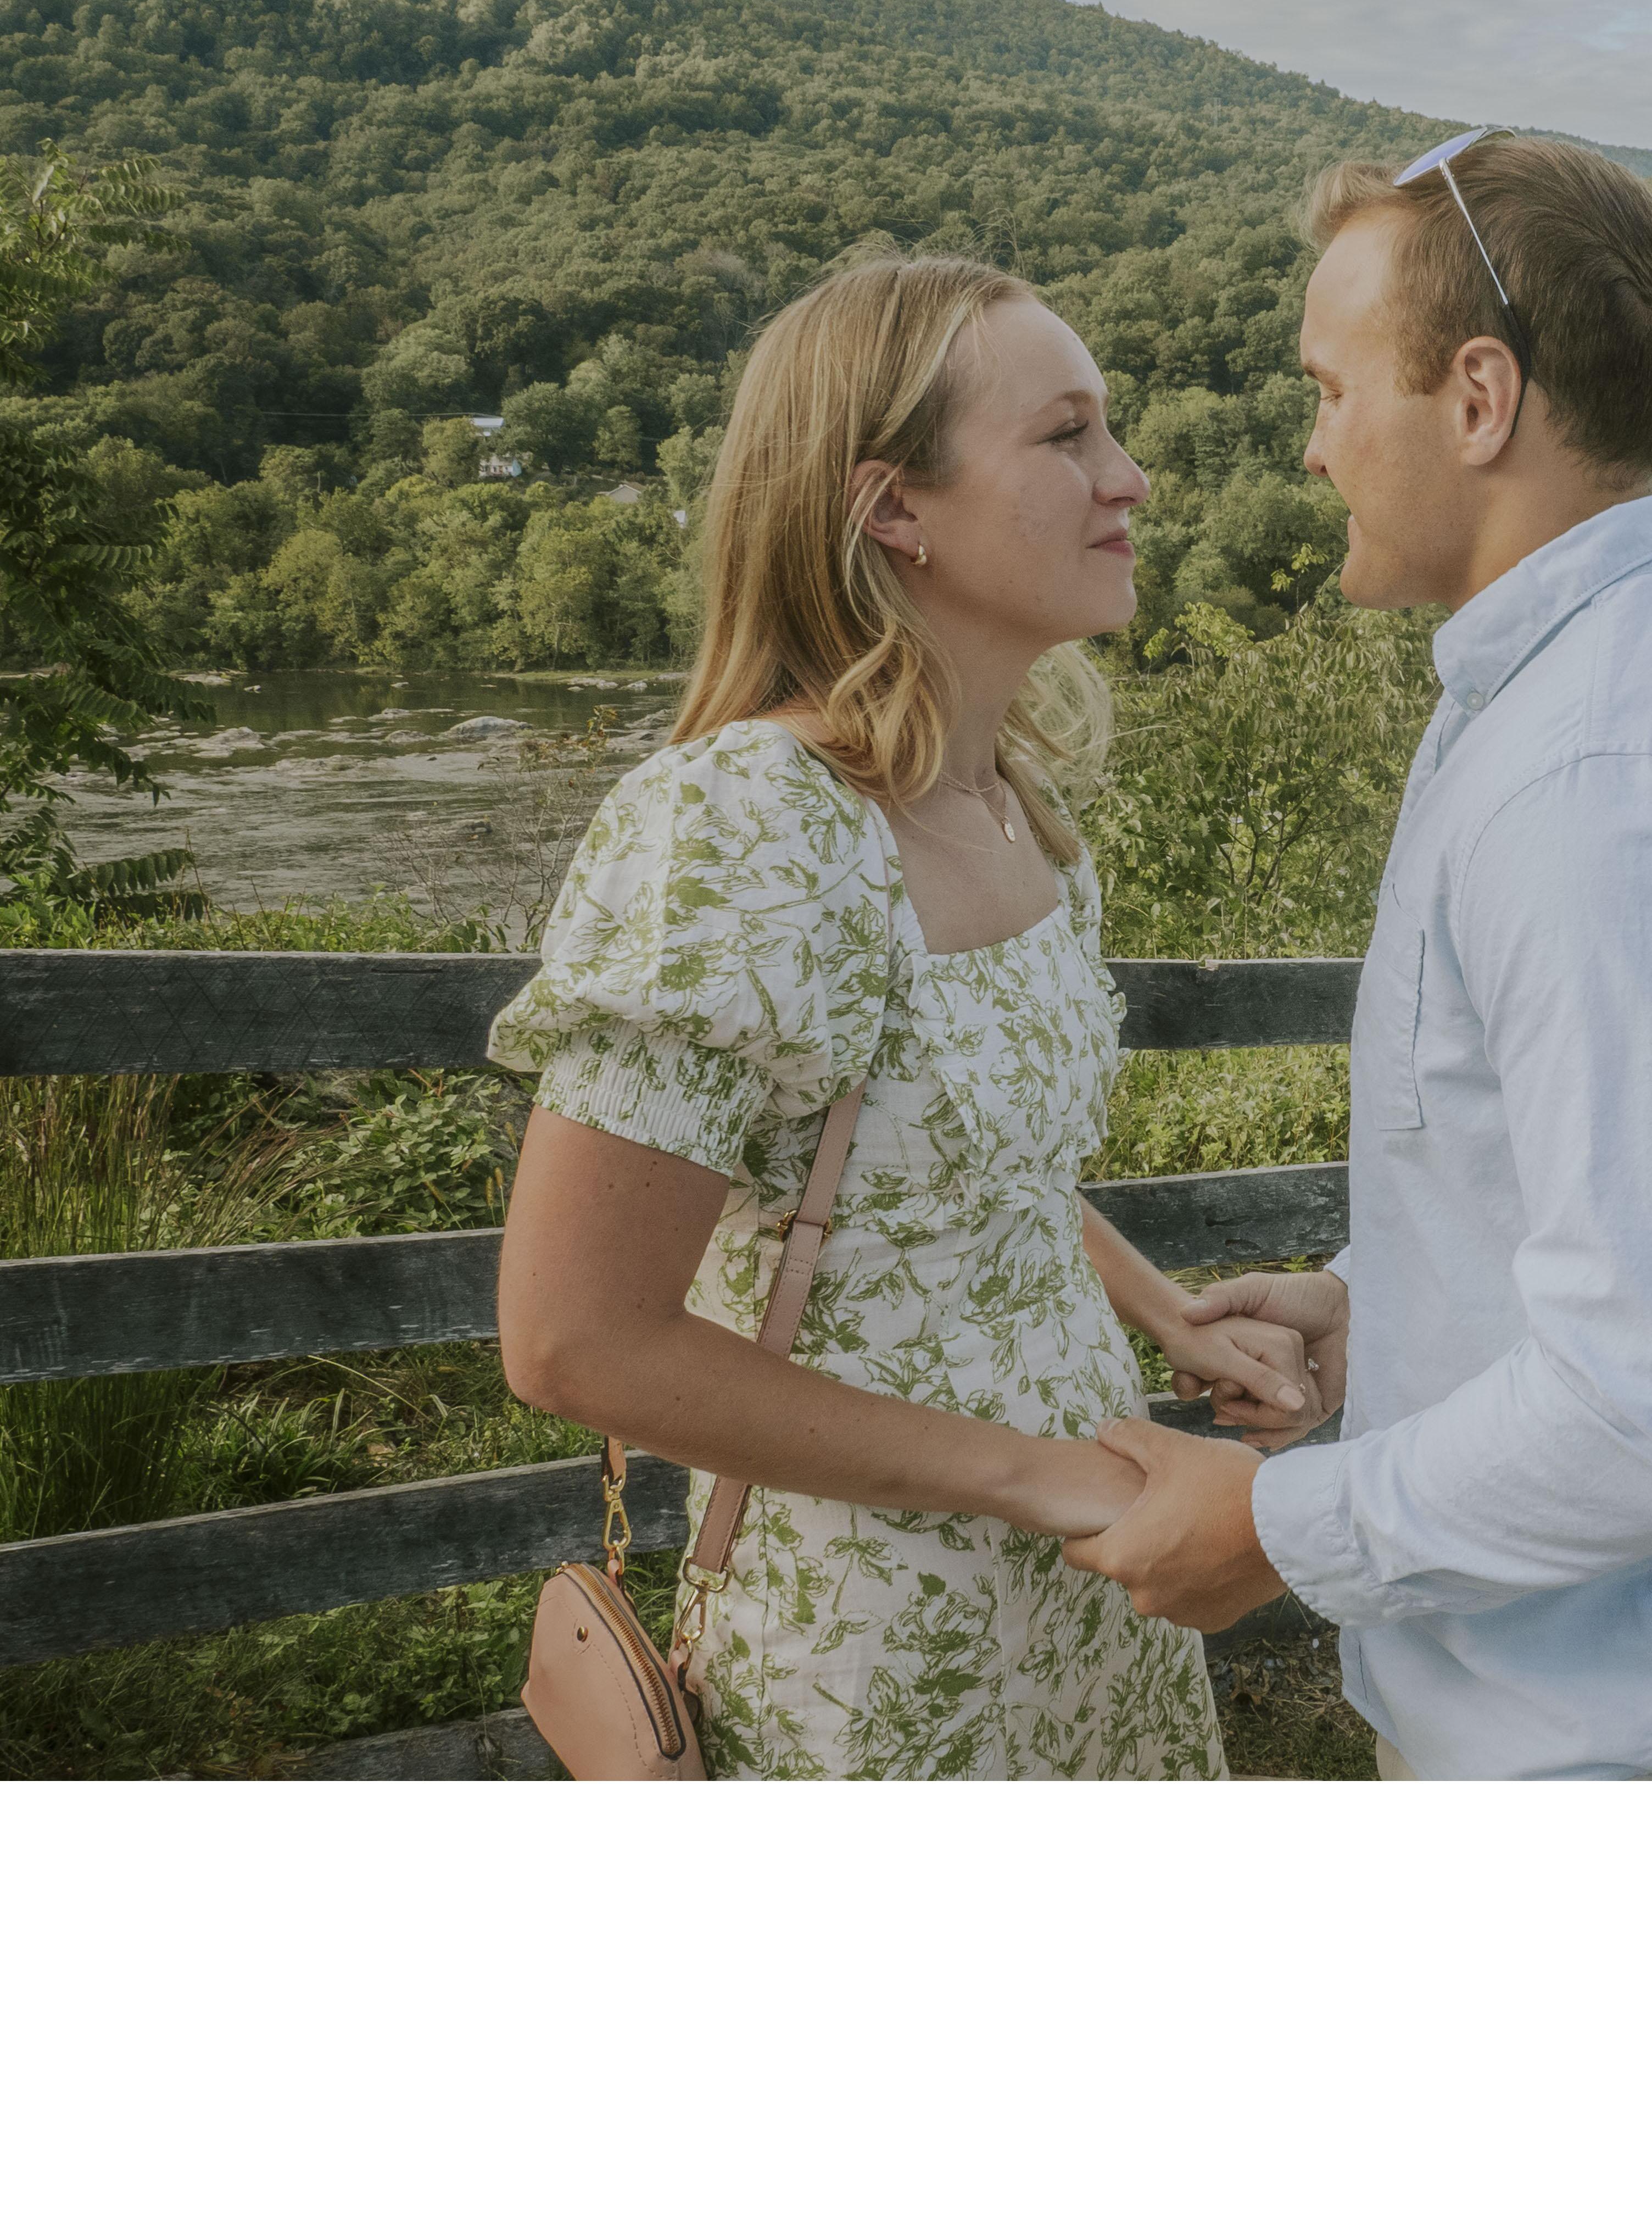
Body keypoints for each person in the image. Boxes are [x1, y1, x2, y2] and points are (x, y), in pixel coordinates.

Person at [1064, 131, 1652, 1780]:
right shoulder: (1564, 703)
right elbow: (1602, 1213)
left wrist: (1276, 1527)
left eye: (1333, 390)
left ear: (1478, 399)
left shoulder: (1610, 780)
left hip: (1640, 1747)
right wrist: (1381, 1305)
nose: (1313, 447)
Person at [489, 252, 1313, 1780]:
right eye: (1066, 435)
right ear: (891, 509)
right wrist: (1037, 1481)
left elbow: (967, 1165)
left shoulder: (1018, 809)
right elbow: (571, 1339)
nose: (1130, 478)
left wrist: (1162, 1309)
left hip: (1097, 1601)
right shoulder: (744, 826)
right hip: (875, 1647)